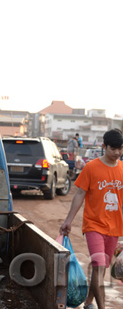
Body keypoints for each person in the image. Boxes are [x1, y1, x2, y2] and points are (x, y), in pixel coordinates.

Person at [59, 129, 123, 309]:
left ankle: (88, 302)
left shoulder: (122, 169)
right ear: (104, 147)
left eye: (120, 148)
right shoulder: (91, 167)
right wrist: (68, 220)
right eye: (113, 149)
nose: (117, 153)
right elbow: (79, 195)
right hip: (93, 225)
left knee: (101, 269)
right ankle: (102, 307)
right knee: (99, 265)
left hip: (115, 227)